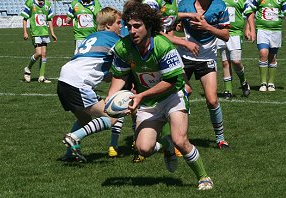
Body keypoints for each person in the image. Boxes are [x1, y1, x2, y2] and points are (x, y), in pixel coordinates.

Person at [107, 2, 213, 190]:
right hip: (148, 101)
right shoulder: (123, 47)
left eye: (137, 26)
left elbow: (170, 82)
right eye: (129, 26)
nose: (132, 31)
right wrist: (111, 100)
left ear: (148, 26)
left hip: (172, 96)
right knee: (144, 149)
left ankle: (204, 177)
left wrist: (140, 95)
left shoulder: (163, 45)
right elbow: (119, 76)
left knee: (180, 139)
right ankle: (167, 146)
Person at [58, 7, 123, 162]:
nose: (121, 26)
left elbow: (92, 63)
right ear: (108, 25)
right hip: (78, 83)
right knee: (113, 116)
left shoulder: (92, 36)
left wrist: (106, 76)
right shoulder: (114, 40)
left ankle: (69, 154)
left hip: (64, 79)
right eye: (119, 23)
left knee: (84, 120)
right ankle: (74, 137)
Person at [177, 0, 231, 149]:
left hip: (207, 57)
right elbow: (173, 22)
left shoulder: (220, 6)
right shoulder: (184, 4)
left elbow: (226, 35)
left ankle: (220, 139)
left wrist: (207, 27)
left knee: (212, 100)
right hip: (184, 56)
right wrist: (180, 24)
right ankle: (177, 138)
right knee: (180, 96)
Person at [244, 0, 286, 92]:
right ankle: (263, 83)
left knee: (272, 57)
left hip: (276, 31)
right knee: (263, 53)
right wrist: (248, 28)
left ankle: (271, 83)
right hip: (262, 30)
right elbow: (251, 11)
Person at [217, 0, 251, 99]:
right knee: (225, 62)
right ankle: (228, 90)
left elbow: (250, 13)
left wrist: (249, 29)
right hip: (221, 32)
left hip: (235, 33)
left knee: (236, 61)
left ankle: (244, 82)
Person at [21, 0, 57, 83]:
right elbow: (25, 18)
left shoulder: (47, 4)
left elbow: (49, 19)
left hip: (44, 32)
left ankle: (41, 77)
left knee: (44, 54)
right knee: (39, 53)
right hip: (35, 33)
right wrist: (25, 32)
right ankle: (28, 68)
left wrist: (52, 32)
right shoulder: (30, 3)